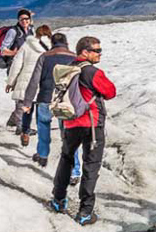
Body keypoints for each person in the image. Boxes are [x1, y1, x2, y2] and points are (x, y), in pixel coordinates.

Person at [48, 37, 117, 226]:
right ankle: (85, 212)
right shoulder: (92, 72)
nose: (100, 53)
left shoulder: (68, 68)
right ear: (84, 52)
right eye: (96, 50)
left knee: (66, 159)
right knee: (91, 166)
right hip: (92, 125)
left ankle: (58, 200)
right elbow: (111, 92)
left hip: (70, 123)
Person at [23, 33, 83, 186]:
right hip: (66, 102)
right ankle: (74, 172)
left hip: (45, 98)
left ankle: (42, 155)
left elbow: (35, 80)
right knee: (69, 137)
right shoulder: (75, 58)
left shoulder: (44, 57)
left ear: (52, 43)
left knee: (43, 126)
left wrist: (28, 101)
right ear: (66, 43)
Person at [6, 25, 51, 145]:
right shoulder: (50, 49)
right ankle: (31, 130)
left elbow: (16, 65)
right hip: (41, 83)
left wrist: (11, 82)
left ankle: (22, 129)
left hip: (25, 80)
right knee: (39, 107)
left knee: (22, 104)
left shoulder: (26, 46)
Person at [3, 9, 34, 129]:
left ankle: (13, 120)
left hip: (27, 67)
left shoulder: (31, 30)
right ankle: (21, 127)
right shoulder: (13, 31)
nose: (25, 21)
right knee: (21, 96)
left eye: (27, 19)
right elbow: (3, 49)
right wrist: (13, 53)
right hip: (14, 66)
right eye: (22, 19)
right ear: (18, 20)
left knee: (24, 94)